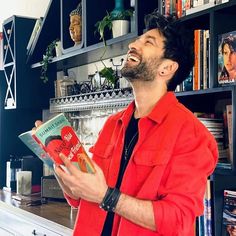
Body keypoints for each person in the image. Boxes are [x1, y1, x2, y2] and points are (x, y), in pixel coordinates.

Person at [35, 10, 218, 235]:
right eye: (138, 39)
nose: (133, 44)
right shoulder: (113, 124)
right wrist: (60, 164)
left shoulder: (192, 134)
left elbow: (178, 219)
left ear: (167, 68)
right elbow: (80, 200)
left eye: (148, 42)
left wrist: (106, 196)